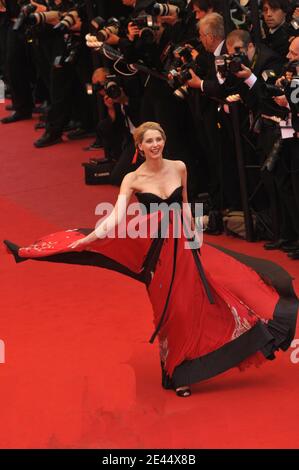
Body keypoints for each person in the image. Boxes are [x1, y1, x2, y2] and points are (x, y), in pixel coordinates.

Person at [4, 122, 298, 398]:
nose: (155, 144)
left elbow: (184, 203)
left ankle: (185, 372)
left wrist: (195, 240)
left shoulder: (179, 167)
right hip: (157, 252)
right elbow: (117, 216)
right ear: (140, 146)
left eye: (159, 139)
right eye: (149, 141)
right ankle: (173, 367)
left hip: (184, 244)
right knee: (172, 311)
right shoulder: (133, 178)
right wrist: (91, 238)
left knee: (203, 298)